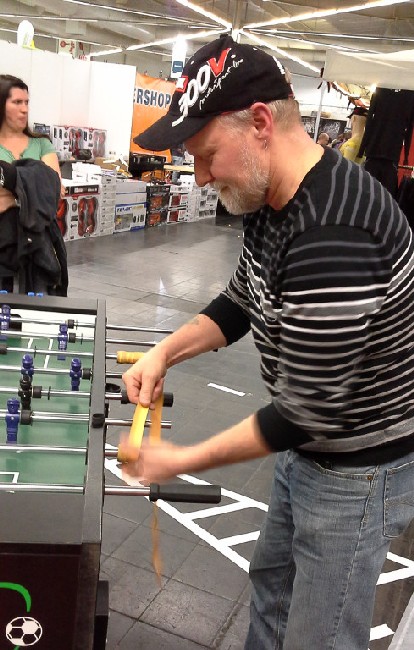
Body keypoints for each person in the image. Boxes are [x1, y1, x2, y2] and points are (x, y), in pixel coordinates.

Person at [122, 34, 414, 650]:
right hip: (306, 446)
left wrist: (179, 460)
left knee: (319, 635)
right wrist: (163, 353)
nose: (201, 177)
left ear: (260, 124)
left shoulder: (336, 231)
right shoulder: (268, 193)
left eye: (206, 155)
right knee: (273, 593)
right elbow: (241, 298)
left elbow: (303, 411)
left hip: (356, 470)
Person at [0, 74, 67, 294]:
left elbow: (53, 189)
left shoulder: (41, 144)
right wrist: (30, 188)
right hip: (2, 246)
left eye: (27, 102)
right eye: (17, 102)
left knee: (36, 307)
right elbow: (42, 187)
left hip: (37, 246)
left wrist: (10, 187)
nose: (24, 109)